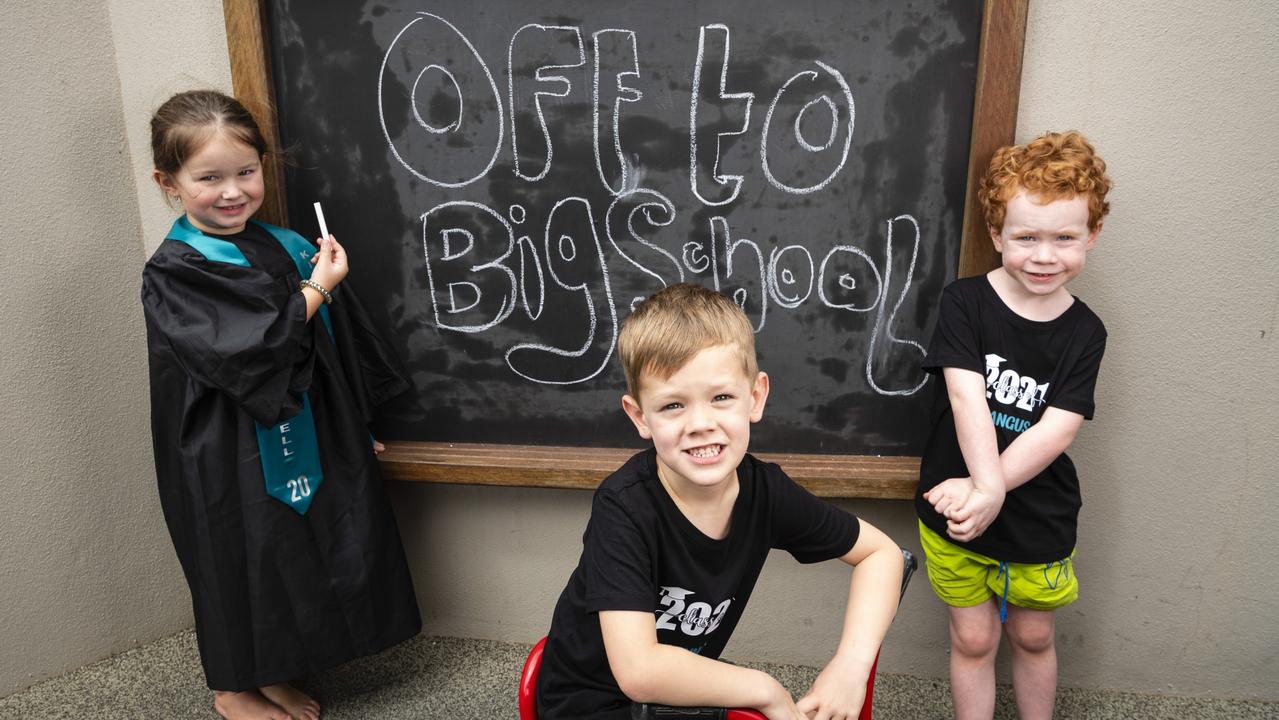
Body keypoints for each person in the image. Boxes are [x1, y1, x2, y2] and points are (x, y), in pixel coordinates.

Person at [141, 90, 421, 720]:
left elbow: (332, 343)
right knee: (238, 553)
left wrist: (354, 418)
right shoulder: (175, 268)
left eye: (246, 172)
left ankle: (277, 671)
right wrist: (318, 287)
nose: (232, 191)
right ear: (170, 182)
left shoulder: (284, 243)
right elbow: (247, 349)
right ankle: (234, 687)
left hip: (304, 422)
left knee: (293, 547)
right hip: (220, 440)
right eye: (208, 178)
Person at [536, 283, 904, 720]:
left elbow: (882, 555)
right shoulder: (624, 508)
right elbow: (639, 670)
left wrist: (851, 667)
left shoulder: (765, 492)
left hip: (674, 691)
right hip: (593, 704)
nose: (701, 424)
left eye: (721, 398)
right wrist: (765, 688)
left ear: (755, 397)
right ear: (640, 417)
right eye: (673, 405)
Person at [914, 130, 1112, 720]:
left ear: (1091, 237)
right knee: (973, 639)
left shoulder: (1086, 332)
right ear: (997, 235)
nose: (1044, 255)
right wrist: (984, 493)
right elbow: (965, 393)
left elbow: (1059, 428)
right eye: (1026, 237)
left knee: (1032, 637)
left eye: (1064, 238)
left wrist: (990, 489)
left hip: (1035, 516)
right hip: (958, 509)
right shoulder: (965, 303)